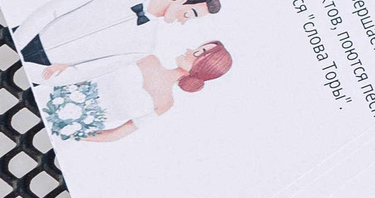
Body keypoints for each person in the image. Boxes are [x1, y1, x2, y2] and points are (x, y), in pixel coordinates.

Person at [33, 42, 232, 143]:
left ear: (202, 68)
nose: (190, 50)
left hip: (61, 131)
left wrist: (72, 134)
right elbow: (96, 64)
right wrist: (64, 66)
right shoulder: (148, 59)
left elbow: (117, 134)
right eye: (198, 48)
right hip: (50, 95)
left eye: (198, 53)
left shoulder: (166, 103)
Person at [14, 0, 219, 69]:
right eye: (190, 14)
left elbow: (89, 69)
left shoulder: (146, 45)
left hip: (42, 68)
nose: (184, 22)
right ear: (182, 0)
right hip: (23, 35)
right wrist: (19, 40)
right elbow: (54, 8)